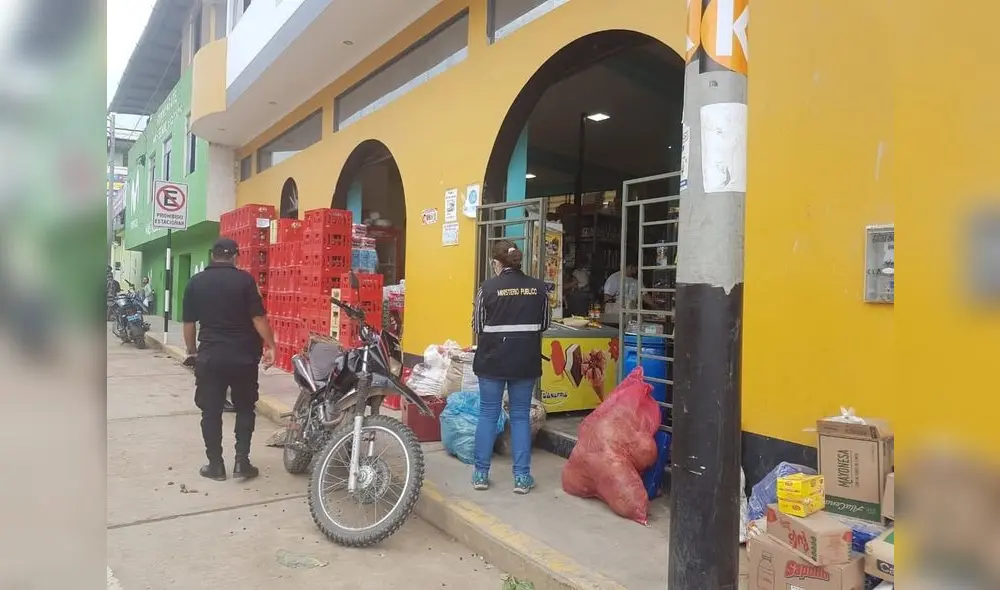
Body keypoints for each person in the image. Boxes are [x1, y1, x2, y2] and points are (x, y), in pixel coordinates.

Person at [181, 238, 276, 482]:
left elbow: (189, 323)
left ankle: (216, 465)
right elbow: (258, 318)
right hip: (243, 357)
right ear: (236, 256)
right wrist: (271, 346)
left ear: (212, 255)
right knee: (245, 408)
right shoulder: (245, 281)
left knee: (210, 412)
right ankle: (242, 462)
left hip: (211, 356)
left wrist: (192, 351)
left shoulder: (195, 283)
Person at [471, 240, 551, 494]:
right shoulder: (539, 289)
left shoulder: (487, 288)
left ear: (496, 263)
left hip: (492, 360)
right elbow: (545, 323)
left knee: (488, 414)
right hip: (524, 361)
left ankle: (481, 474)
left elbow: (477, 325)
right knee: (519, 417)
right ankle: (521, 477)